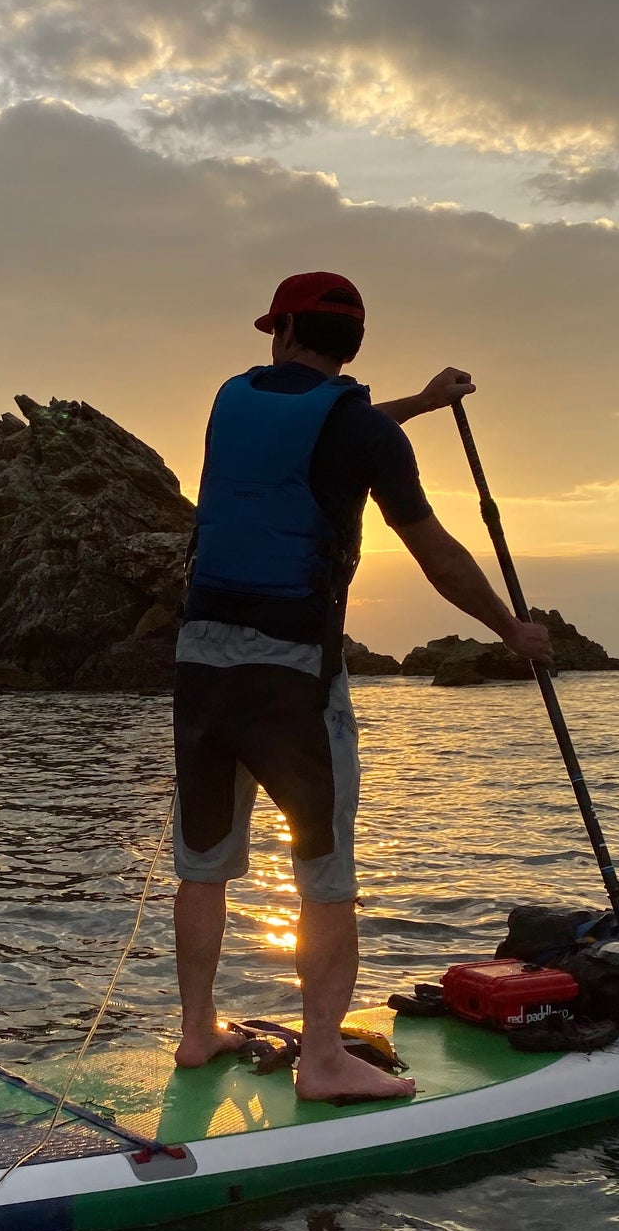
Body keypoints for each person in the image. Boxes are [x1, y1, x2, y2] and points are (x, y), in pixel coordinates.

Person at [171, 270, 555, 1102]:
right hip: (293, 677)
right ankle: (323, 1060)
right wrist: (509, 631)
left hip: (200, 662)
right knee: (325, 875)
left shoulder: (229, 401)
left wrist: (417, 402)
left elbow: (325, 431)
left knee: (202, 867)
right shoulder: (361, 432)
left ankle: (198, 1029)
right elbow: (439, 555)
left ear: (282, 333)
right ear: (354, 344)